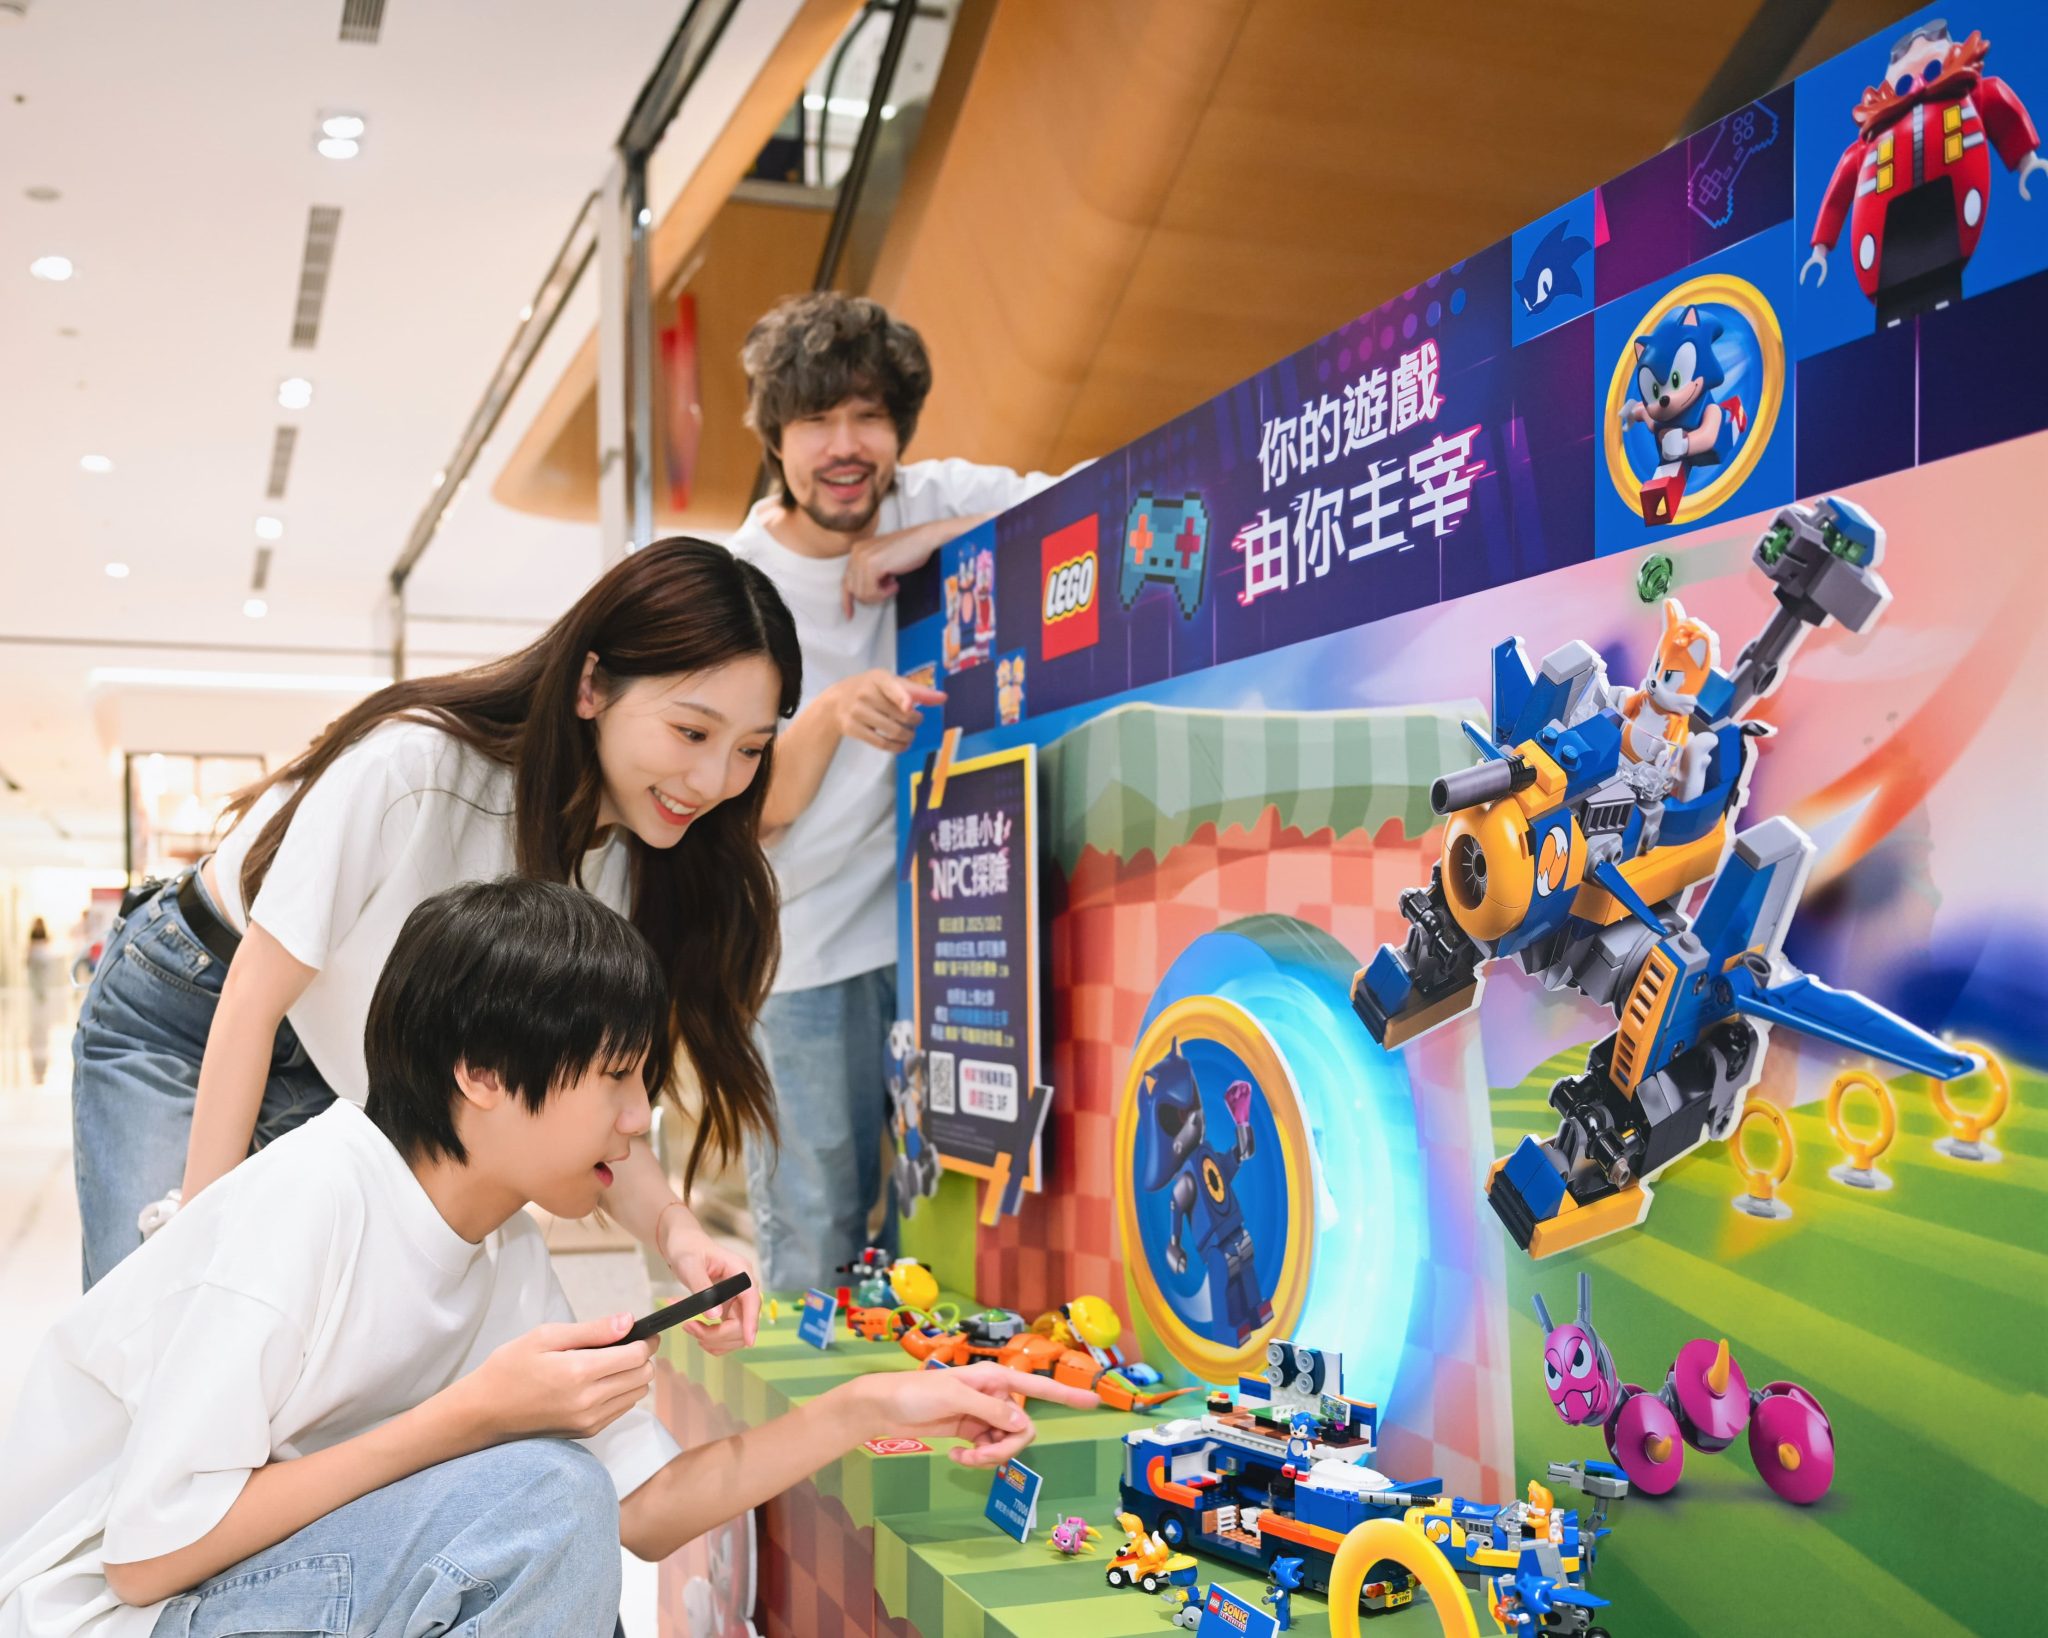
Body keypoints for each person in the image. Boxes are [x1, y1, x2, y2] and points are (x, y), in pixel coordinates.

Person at [0, 879, 1092, 1636]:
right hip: (118, 1615)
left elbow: (646, 1509)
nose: (637, 1119)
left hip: (256, 1588)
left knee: (561, 1519)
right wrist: (474, 1417)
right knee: (544, 1504)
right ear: (481, 1071)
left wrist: (868, 1406)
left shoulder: (502, 1246)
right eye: (615, 1078)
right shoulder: (309, 1202)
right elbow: (146, 1557)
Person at [69, 537, 786, 1337]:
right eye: (692, 732)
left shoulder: (634, 869)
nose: (715, 781)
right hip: (193, 1006)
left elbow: (600, 1100)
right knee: (160, 1335)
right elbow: (252, 1000)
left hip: (358, 1074)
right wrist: (203, 1251)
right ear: (592, 686)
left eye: (750, 750)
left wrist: (679, 1234)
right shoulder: (419, 767)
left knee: (315, 1363)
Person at [729, 292, 1060, 1292]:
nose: (845, 446)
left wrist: (936, 537)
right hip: (802, 956)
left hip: (951, 938)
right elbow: (752, 812)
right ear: (775, 439)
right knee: (816, 1234)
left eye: (867, 416)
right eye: (815, 420)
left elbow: (1108, 493)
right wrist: (831, 712)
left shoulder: (931, 496)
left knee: (951, 1239)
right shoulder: (732, 585)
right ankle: (806, 1404)